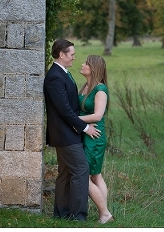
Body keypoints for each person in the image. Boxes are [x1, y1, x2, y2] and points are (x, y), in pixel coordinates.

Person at [44, 39, 100, 221]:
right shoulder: (54, 77)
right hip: (64, 134)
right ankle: (77, 216)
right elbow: (64, 109)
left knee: (65, 173)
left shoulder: (63, 73)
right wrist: (84, 127)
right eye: (72, 54)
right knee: (81, 170)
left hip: (68, 132)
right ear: (62, 55)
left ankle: (61, 213)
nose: (74, 58)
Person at [77, 55, 114, 224]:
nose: (82, 65)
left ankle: (105, 213)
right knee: (95, 175)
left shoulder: (100, 90)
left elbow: (98, 115)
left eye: (86, 63)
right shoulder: (86, 86)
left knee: (88, 175)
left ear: (94, 68)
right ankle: (104, 213)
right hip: (86, 132)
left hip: (95, 136)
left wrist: (74, 119)